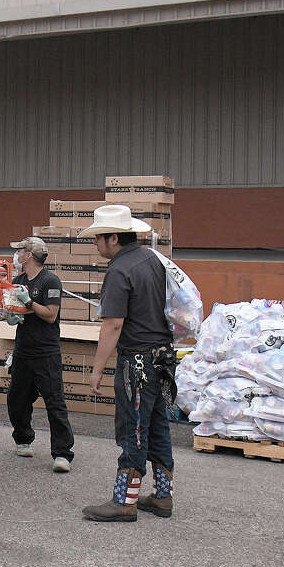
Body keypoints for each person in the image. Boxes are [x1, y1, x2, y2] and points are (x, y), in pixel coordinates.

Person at [80, 204, 175, 522]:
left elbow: (113, 324)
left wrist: (96, 369)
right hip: (161, 358)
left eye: (98, 238)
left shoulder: (120, 270)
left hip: (136, 362)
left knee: (133, 430)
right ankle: (163, 496)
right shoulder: (152, 259)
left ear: (113, 239)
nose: (95, 244)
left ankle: (124, 501)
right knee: (157, 426)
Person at [5, 236, 74, 473]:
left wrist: (30, 303)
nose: (17, 255)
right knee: (17, 399)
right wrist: (11, 315)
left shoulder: (50, 281)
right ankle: (23, 439)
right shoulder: (18, 280)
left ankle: (63, 453)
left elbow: (50, 314)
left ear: (29, 255)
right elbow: (16, 312)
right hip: (23, 349)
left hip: (46, 352)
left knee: (54, 401)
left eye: (20, 251)